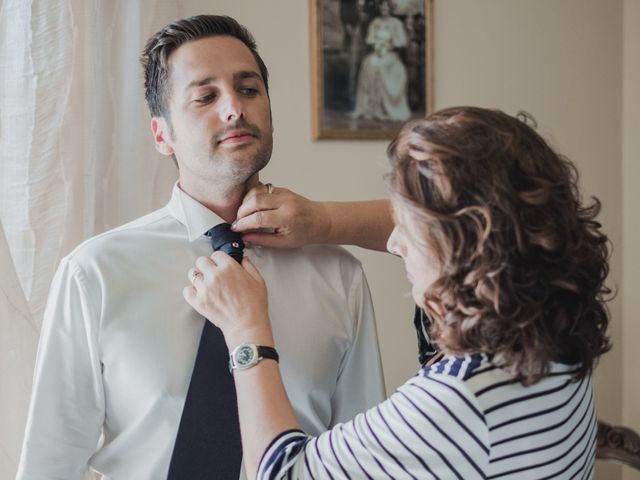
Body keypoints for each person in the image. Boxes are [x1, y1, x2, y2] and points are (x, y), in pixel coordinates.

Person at [17, 15, 385, 479]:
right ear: (161, 135)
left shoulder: (338, 276)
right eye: (205, 96)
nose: (234, 109)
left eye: (248, 89)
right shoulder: (95, 273)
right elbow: (50, 464)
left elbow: (360, 461)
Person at [187, 106, 611, 478]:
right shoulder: (551, 324)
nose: (393, 243)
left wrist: (248, 332)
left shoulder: (461, 399)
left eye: (409, 229)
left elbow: (283, 473)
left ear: (462, 249)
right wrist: (323, 222)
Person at [352, 0, 412, 122]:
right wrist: (378, 46)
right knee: (368, 63)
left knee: (381, 66)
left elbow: (401, 42)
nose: (384, 9)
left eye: (386, 7)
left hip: (391, 54)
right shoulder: (376, 22)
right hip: (378, 52)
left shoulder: (396, 23)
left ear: (390, 9)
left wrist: (389, 46)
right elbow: (371, 39)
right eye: (382, 7)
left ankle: (385, 107)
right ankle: (372, 107)